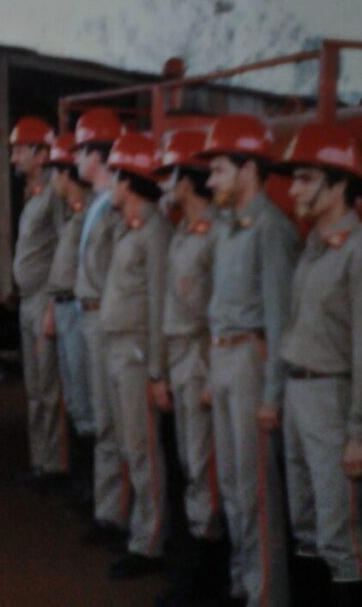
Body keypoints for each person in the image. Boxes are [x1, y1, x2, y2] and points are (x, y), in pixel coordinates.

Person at [271, 122, 362, 605]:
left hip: (333, 397)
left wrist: (360, 432)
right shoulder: (316, 244)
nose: (295, 188)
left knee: (339, 532)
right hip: (302, 391)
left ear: (339, 184)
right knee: (305, 524)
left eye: (305, 178)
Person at [199, 114, 295, 607]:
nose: (210, 180)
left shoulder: (270, 229)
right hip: (225, 358)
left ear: (248, 170)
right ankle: (242, 584)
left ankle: (266, 594)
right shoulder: (230, 226)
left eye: (218, 169)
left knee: (257, 487)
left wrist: (273, 395)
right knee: (233, 483)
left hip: (252, 359)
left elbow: (280, 319)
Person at [154, 130, 227, 605]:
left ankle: (206, 570)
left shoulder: (217, 232)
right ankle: (197, 558)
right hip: (180, 354)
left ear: (186, 182)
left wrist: (211, 373)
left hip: (202, 356)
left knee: (204, 464)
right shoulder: (183, 230)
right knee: (189, 458)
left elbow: (222, 312)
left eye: (170, 175)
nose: (164, 185)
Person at [98, 133, 172, 579]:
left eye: (116, 176)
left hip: (137, 351)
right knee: (130, 445)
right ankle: (137, 531)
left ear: (130, 182)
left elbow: (162, 302)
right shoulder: (130, 227)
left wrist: (156, 369)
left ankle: (150, 542)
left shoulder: (155, 232)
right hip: (117, 346)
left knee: (143, 448)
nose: (110, 184)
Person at [69, 108, 128, 550]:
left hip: (107, 323)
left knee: (116, 426)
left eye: (81, 150)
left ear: (98, 155)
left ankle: (122, 518)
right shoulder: (97, 204)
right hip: (89, 317)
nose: (75, 160)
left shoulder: (114, 206)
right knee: (104, 421)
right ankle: (109, 513)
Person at [9, 116, 68, 491]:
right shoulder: (32, 195)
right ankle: (40, 461)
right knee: (34, 387)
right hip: (29, 301)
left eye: (18, 150)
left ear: (41, 153)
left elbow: (64, 249)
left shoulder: (54, 196)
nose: (13, 158)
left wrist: (52, 306)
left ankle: (55, 467)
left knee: (48, 388)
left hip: (44, 301)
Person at [43, 131, 97, 508]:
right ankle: (84, 485)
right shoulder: (75, 212)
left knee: (87, 401)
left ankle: (94, 490)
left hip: (80, 311)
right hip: (63, 307)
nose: (52, 182)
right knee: (76, 400)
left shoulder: (93, 209)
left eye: (56, 173)